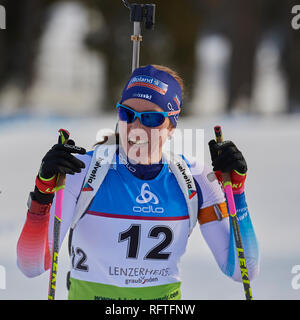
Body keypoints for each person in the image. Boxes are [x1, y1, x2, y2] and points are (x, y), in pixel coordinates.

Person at [17, 64, 259, 300]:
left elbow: (243, 271)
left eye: (151, 119)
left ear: (172, 125)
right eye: (127, 114)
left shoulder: (195, 179)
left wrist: (236, 194)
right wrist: (42, 195)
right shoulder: (81, 172)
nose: (136, 127)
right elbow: (32, 265)